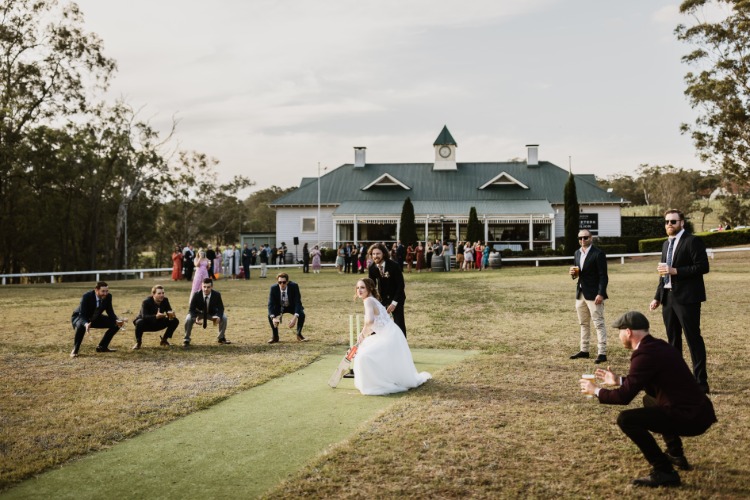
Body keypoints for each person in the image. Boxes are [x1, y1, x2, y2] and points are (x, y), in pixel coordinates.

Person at [580, 311, 716, 488]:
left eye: (619, 331)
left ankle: (664, 471)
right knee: (649, 400)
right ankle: (675, 454)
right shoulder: (658, 346)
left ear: (628, 331)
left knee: (626, 420)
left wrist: (596, 390)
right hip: (700, 411)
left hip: (690, 417)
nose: (619, 336)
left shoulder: (644, 354)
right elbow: (650, 382)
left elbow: (623, 397)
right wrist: (619, 380)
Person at [649, 209, 711, 393]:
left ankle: (701, 382)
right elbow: (663, 273)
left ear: (682, 223)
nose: (669, 224)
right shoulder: (665, 244)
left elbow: (702, 267)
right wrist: (657, 297)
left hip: (687, 298)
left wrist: (676, 271)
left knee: (693, 339)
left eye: (673, 221)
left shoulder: (692, 241)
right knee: (673, 341)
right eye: (667, 221)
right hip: (668, 298)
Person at [352, 278, 431, 396]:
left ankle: (376, 384)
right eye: (358, 288)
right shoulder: (373, 299)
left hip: (389, 336)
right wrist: (363, 335)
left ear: (370, 289)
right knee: (364, 349)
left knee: (363, 356)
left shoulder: (368, 300)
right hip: (391, 333)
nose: (359, 290)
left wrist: (363, 333)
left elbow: (370, 321)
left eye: (362, 287)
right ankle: (380, 380)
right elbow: (375, 324)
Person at [569, 229, 609, 364]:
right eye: (580, 238)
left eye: (585, 238)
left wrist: (601, 293)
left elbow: (604, 276)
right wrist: (573, 274)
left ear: (591, 238)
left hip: (594, 295)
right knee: (583, 323)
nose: (582, 240)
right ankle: (584, 350)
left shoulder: (598, 254)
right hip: (580, 293)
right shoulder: (577, 253)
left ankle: (602, 353)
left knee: (598, 323)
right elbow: (577, 274)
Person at [69, 281, 120, 357]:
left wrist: (117, 320)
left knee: (116, 324)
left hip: (95, 318)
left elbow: (110, 312)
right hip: (79, 317)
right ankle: (75, 350)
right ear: (96, 290)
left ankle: (102, 347)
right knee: (81, 326)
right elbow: (82, 315)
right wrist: (86, 324)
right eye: (103, 291)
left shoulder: (108, 297)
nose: (105, 293)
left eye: (107, 291)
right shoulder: (86, 296)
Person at [367, 242, 407, 337]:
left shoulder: (394, 265)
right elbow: (372, 286)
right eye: (373, 254)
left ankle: (401, 344)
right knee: (378, 323)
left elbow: (400, 285)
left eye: (378, 254)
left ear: (383, 254)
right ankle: (376, 343)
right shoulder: (372, 268)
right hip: (382, 299)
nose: (375, 256)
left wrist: (394, 303)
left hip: (397, 298)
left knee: (399, 323)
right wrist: (373, 301)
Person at [183, 279, 231, 346]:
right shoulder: (196, 294)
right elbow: (191, 309)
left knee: (224, 318)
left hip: (211, 313)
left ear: (211, 287)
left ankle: (221, 338)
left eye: (208, 287)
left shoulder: (217, 295)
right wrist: (194, 318)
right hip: (198, 314)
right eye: (204, 286)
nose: (206, 289)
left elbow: (221, 308)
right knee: (188, 319)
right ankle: (186, 340)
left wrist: (219, 317)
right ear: (201, 286)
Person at [132, 285, 179, 349]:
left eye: (163, 293)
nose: (162, 295)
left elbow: (169, 310)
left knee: (175, 320)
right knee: (139, 322)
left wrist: (171, 314)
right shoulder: (146, 302)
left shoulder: (165, 300)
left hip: (159, 322)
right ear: (153, 294)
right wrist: (156, 317)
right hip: (146, 324)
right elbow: (144, 316)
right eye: (159, 293)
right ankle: (138, 343)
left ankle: (164, 340)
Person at [267, 272, 307, 343]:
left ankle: (299, 334)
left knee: (301, 314)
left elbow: (298, 302)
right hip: (280, 307)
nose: (282, 284)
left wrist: (295, 318)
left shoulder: (294, 286)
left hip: (291, 306)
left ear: (287, 282)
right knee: (270, 315)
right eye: (279, 282)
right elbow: (270, 304)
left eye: (284, 282)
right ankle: (275, 337)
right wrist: (273, 318)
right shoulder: (273, 288)